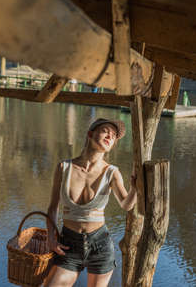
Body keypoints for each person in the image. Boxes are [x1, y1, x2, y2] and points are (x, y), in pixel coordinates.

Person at [44, 118, 137, 287]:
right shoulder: (64, 167)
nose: (111, 135)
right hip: (68, 245)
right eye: (105, 130)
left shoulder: (112, 172)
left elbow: (126, 204)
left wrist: (136, 188)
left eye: (114, 135)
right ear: (90, 134)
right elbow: (52, 207)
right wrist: (51, 237)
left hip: (100, 245)